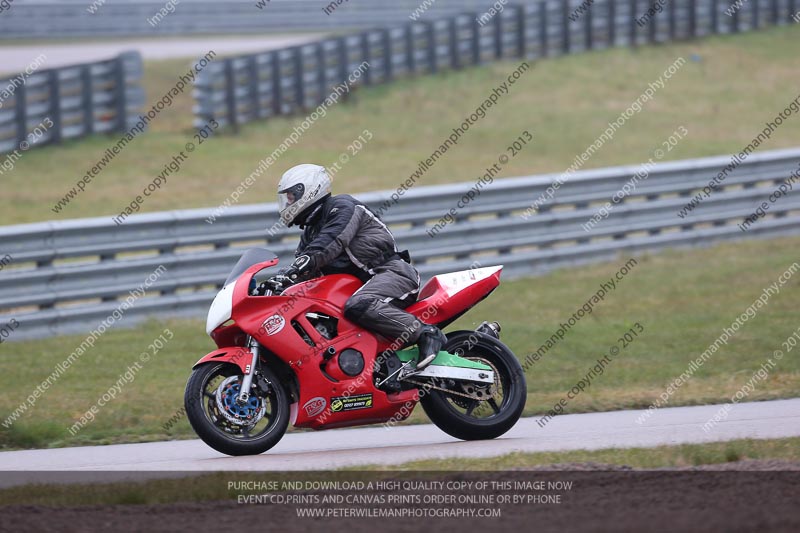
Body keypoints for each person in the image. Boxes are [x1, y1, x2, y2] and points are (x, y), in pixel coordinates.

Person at [275, 163, 446, 369]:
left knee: (359, 305)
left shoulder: (343, 207)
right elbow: (302, 268)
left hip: (392, 274)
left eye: (291, 196)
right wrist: (276, 284)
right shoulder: (310, 233)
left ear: (309, 190)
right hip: (361, 287)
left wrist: (301, 265)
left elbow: (331, 241)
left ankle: (426, 334)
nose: (288, 202)